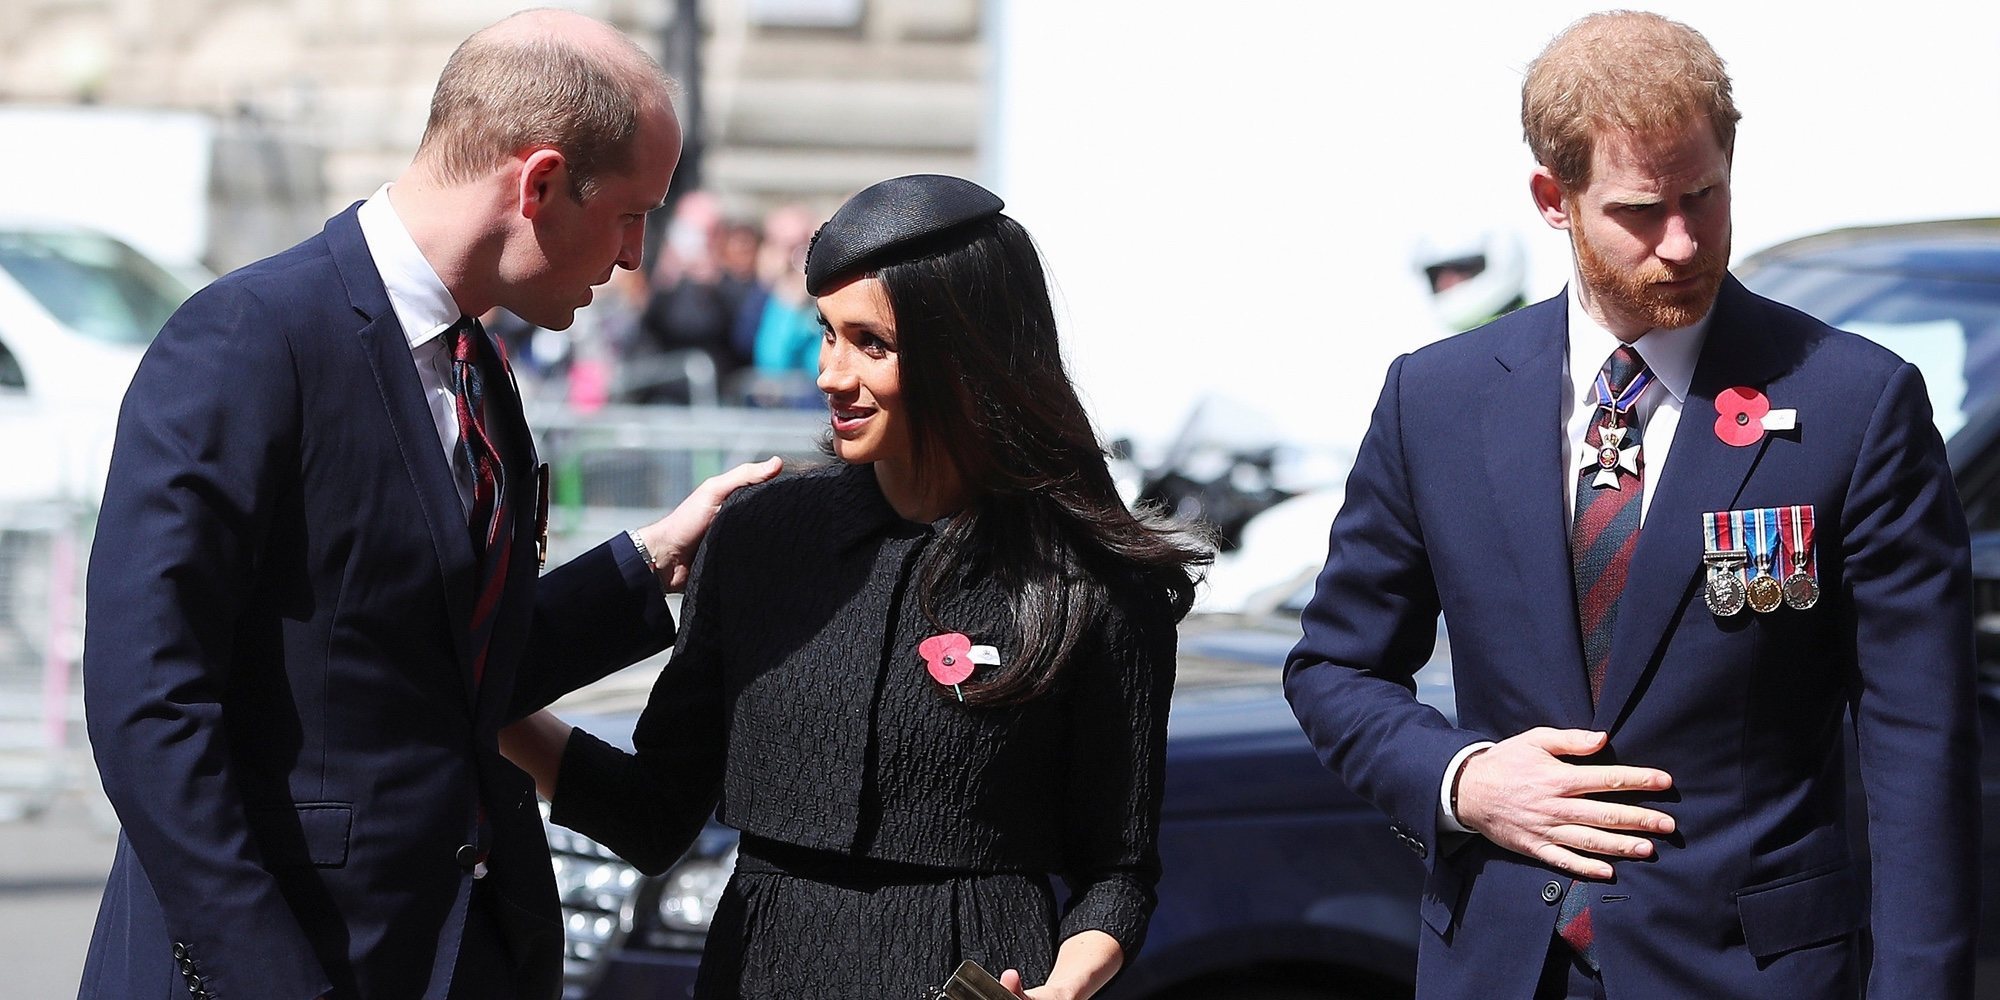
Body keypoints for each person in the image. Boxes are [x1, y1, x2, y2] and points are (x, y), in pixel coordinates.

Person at [79, 11, 778, 1000]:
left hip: (456, 952)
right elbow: (148, 706)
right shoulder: (248, 338)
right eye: (631, 213)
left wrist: (648, 559)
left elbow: (441, 673)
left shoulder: (479, 366)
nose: (634, 256)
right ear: (537, 183)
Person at [1285, 11, 1975, 1000]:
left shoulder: (1848, 403)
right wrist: (1461, 782)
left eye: (1703, 195)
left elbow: (1919, 739)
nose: (1683, 240)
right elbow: (1335, 665)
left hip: (1746, 968)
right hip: (1497, 966)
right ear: (1550, 199)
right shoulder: (1433, 399)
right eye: (1640, 211)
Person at [502, 174, 1210, 999]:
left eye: (871, 343)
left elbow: (1118, 874)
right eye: (826, 335)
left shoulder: (1096, 585)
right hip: (757, 973)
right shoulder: (761, 535)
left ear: (966, 354)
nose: (830, 374)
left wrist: (1063, 987)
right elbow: (657, 811)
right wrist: (483, 696)